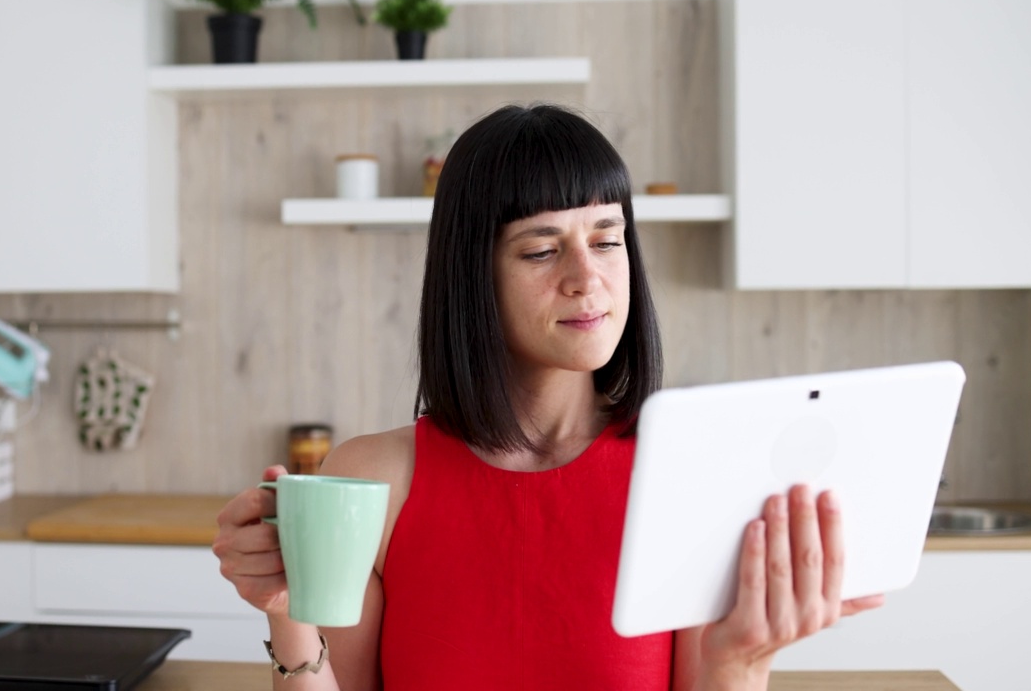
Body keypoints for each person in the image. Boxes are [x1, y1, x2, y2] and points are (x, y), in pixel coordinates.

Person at [213, 104, 885, 690]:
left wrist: (743, 664)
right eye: (541, 250)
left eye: (606, 240)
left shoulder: (687, 475)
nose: (586, 277)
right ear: (473, 275)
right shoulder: (370, 481)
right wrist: (286, 611)